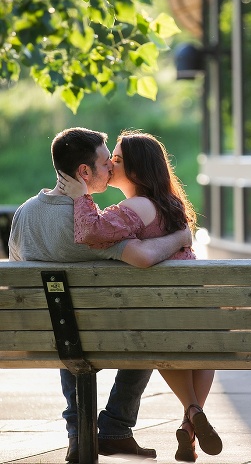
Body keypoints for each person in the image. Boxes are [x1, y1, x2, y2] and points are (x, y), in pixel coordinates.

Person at [9, 127, 193, 463]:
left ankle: (78, 434)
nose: (111, 168)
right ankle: (116, 426)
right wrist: (180, 237)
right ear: (84, 172)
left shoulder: (23, 215)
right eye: (107, 162)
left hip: (43, 334)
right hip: (109, 335)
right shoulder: (86, 225)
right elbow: (142, 256)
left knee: (65, 323)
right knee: (144, 329)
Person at [58, 129, 221, 462]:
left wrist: (80, 196)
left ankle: (191, 411)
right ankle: (190, 425)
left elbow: (91, 231)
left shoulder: (136, 207)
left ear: (136, 168)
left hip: (160, 314)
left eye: (117, 159)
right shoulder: (170, 204)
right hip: (195, 309)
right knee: (204, 352)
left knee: (158, 342)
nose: (111, 164)